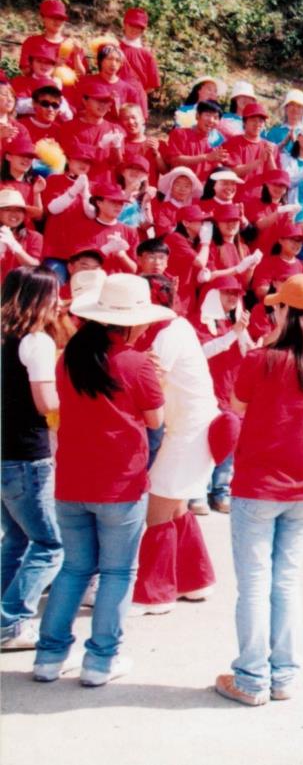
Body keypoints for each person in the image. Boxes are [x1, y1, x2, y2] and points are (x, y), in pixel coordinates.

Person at [214, 273, 303, 706]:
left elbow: (237, 405)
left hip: (259, 485)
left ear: (289, 313)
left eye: (278, 308)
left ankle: (252, 679)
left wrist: (270, 340)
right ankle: (283, 676)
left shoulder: (262, 358)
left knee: (254, 585)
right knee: (285, 583)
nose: (273, 312)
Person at [33, 273, 170, 686]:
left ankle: (48, 657)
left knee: (74, 569)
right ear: (131, 321)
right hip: (120, 483)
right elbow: (156, 421)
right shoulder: (136, 362)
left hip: (73, 480)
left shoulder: (69, 358)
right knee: (116, 573)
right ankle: (100, 661)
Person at [129, 274, 223, 616]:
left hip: (190, 432)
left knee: (157, 511)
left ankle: (154, 593)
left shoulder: (167, 334)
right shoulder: (177, 327)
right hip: (192, 428)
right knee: (176, 508)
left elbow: (149, 384)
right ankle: (195, 579)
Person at [1, 267, 62, 650]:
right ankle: (11, 621)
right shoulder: (36, 341)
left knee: (17, 539)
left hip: (5, 451)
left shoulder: (5, 337)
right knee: (50, 545)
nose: (59, 302)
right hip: (28, 455)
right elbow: (46, 402)